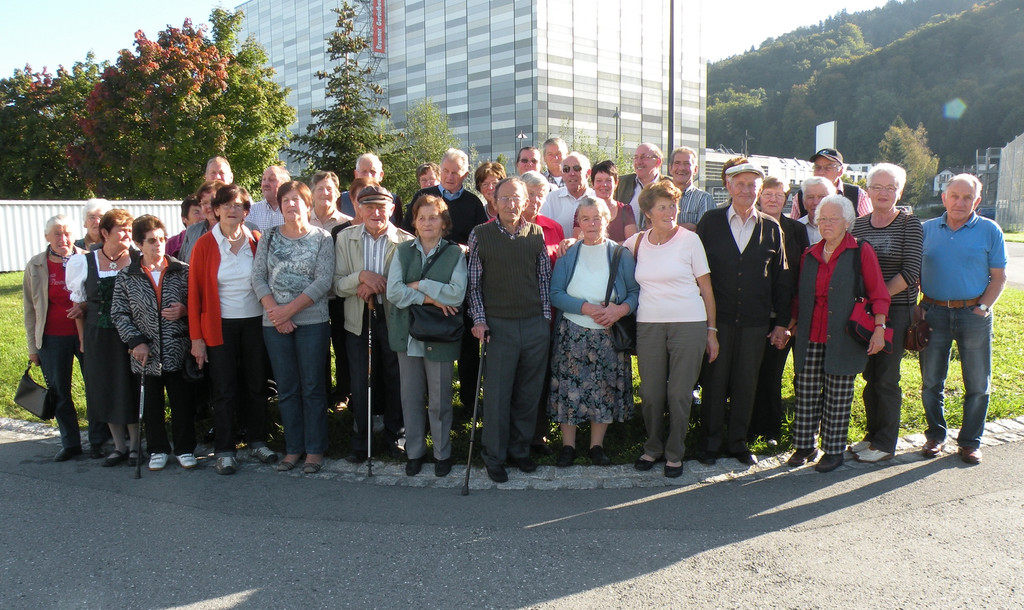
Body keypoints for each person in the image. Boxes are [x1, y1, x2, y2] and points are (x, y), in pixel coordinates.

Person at [696, 161, 792, 466]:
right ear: (728, 186)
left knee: (746, 382)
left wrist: (782, 323)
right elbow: (696, 270)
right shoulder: (710, 222)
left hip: (755, 322)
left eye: (752, 185)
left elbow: (782, 278)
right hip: (718, 320)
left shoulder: (771, 227)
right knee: (714, 381)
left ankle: (738, 442)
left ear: (759, 190)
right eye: (740, 184)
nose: (746, 190)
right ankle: (710, 443)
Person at [787, 195, 890, 473]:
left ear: (847, 222)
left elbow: (879, 293)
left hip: (844, 337)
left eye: (833, 219)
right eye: (822, 219)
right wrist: (790, 325)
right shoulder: (809, 254)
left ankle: (833, 450)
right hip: (810, 336)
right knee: (806, 392)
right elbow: (799, 297)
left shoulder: (860, 251)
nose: (827, 223)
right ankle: (805, 446)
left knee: (838, 396)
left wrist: (879, 329)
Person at [623, 181, 718, 477]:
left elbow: (706, 289)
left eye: (673, 205)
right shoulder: (637, 242)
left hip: (689, 324)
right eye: (662, 207)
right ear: (648, 213)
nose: (670, 212)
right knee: (650, 393)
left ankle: (675, 453)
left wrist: (712, 331)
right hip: (649, 325)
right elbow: (607, 252)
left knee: (679, 393)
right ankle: (653, 448)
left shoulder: (690, 240)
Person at [188, 184, 278, 475]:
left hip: (255, 323)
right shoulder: (204, 245)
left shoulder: (256, 240)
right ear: (215, 210)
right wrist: (196, 339)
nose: (231, 210)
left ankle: (257, 441)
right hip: (219, 326)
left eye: (238, 205)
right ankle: (225, 450)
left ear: (246, 212)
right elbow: (194, 296)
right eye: (225, 205)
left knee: (256, 385)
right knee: (224, 389)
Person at [468, 177, 552, 483]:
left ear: (526, 202)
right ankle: (495, 455)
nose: (510, 204)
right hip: (498, 326)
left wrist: (544, 319)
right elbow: (474, 285)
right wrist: (479, 320)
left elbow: (544, 280)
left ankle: (520, 450)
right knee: (498, 395)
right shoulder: (481, 234)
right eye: (504, 198)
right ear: (494, 201)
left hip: (533, 325)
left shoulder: (536, 234)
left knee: (528, 393)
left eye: (516, 198)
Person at [919, 174, 1006, 465]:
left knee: (978, 383)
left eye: (967, 197)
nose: (960, 202)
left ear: (977, 201)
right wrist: (919, 308)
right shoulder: (926, 230)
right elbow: (913, 272)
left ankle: (970, 442)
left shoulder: (990, 230)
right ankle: (935, 436)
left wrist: (982, 308)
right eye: (954, 196)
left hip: (974, 314)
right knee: (931, 381)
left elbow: (999, 277)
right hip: (933, 313)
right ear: (944, 198)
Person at [549, 197, 639, 467]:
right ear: (578, 222)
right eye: (585, 219)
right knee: (569, 388)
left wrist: (619, 311)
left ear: (607, 219)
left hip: (608, 332)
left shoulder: (621, 254)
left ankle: (596, 447)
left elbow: (634, 293)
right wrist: (585, 307)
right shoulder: (568, 253)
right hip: (573, 332)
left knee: (604, 389)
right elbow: (555, 293)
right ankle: (568, 446)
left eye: (597, 218)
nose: (591, 224)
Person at [253, 181, 335, 474]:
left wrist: (288, 311)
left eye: (296, 199)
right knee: (286, 388)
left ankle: (314, 450)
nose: (290, 204)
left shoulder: (323, 238)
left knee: (312, 387)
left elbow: (323, 280)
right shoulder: (269, 237)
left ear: (307, 204)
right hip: (274, 323)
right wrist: (277, 314)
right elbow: (258, 277)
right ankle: (293, 448)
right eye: (285, 200)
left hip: (312, 322)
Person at [386, 195, 468, 477]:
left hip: (441, 335)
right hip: (407, 335)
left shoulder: (455, 253)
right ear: (415, 222)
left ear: (444, 222)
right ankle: (415, 452)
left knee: (440, 400)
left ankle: (442, 453)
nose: (427, 222)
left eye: (433, 217)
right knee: (410, 398)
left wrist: (420, 284)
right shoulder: (402, 251)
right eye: (422, 218)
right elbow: (394, 292)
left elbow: (456, 294)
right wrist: (431, 298)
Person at [333, 185, 413, 463]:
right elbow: (337, 284)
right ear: (358, 208)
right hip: (359, 317)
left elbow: (410, 285)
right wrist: (361, 277)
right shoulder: (345, 238)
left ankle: (396, 437)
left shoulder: (406, 241)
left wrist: (378, 284)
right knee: (360, 380)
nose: (375, 213)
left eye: (381, 207)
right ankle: (361, 441)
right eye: (369, 207)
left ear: (392, 209)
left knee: (395, 378)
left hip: (393, 318)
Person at [849, 163, 923, 463]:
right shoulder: (857, 225)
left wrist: (875, 298)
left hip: (897, 310)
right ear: (867, 191)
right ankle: (871, 436)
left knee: (887, 378)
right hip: (866, 312)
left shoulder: (910, 224)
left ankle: (885, 443)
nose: (883, 193)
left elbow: (910, 272)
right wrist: (867, 303)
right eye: (877, 187)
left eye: (890, 188)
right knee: (869, 375)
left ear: (899, 192)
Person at [111, 215, 195, 470]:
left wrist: (185, 310)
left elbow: (198, 304)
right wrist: (136, 341)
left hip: (178, 349)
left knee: (182, 403)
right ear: (138, 244)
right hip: (145, 352)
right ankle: (157, 448)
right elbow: (119, 313)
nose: (158, 245)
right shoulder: (126, 276)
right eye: (151, 241)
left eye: (161, 239)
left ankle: (185, 448)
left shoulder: (183, 271)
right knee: (151, 404)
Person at [410, 149, 489, 406]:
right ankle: (427, 400)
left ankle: (469, 401)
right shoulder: (423, 196)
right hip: (427, 278)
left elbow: (481, 240)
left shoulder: (473, 203)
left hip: (460, 280)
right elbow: (407, 231)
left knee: (467, 344)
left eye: (456, 172)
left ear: (465, 174)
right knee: (428, 337)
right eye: (445, 171)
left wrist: (466, 248)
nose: (450, 176)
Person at [66, 209, 139, 466]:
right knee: (105, 387)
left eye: (130, 229)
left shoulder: (137, 259)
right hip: (98, 334)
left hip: (130, 334)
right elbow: (78, 305)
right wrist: (83, 340)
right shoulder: (84, 262)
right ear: (106, 233)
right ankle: (118, 446)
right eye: (122, 230)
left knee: (129, 386)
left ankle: (135, 445)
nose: (127, 234)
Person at [748, 176, 810, 446]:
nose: (773, 199)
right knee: (749, 372)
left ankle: (770, 430)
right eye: (768, 194)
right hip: (752, 313)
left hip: (785, 314)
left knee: (772, 374)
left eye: (779, 195)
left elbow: (802, 275)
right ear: (759, 196)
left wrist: (791, 318)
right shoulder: (750, 225)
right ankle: (745, 427)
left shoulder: (796, 230)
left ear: (786, 199)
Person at [23, 215, 88, 461]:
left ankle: (99, 440)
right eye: (57, 234)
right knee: (60, 392)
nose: (63, 239)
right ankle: (71, 443)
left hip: (85, 336)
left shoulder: (87, 259)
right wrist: (33, 347)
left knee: (95, 388)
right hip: (52, 338)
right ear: (47, 237)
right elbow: (30, 308)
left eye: (67, 233)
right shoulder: (36, 265)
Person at [178, 181, 259, 265]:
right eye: (204, 203)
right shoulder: (192, 231)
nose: (209, 206)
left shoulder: (251, 231)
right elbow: (182, 263)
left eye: (213, 201)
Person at [790, 148, 870, 218]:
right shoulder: (801, 195)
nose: (821, 173)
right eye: (818, 167)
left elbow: (868, 225)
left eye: (828, 168)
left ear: (840, 171)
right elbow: (792, 226)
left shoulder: (857, 195)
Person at [338, 153, 404, 226]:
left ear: (381, 175)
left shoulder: (393, 200)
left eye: (373, 172)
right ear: (356, 174)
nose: (368, 176)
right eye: (364, 171)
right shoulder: (342, 200)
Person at [541, 151, 595, 237]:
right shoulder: (551, 199)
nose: (571, 173)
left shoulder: (596, 198)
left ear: (588, 173)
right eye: (566, 169)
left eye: (576, 168)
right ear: (562, 174)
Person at [582, 160, 637, 243]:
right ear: (592, 184)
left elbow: (632, 243)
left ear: (616, 183)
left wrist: (606, 248)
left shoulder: (625, 210)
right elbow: (578, 241)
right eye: (599, 180)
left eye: (608, 180)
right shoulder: (583, 210)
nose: (604, 185)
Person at [615, 143, 666, 228]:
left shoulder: (669, 186)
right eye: (636, 157)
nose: (638, 162)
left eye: (643, 157)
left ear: (658, 161)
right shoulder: (621, 183)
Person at [668, 147, 715, 232]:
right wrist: (690, 227)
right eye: (677, 163)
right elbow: (650, 229)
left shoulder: (704, 199)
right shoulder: (658, 197)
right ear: (670, 168)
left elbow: (705, 232)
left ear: (695, 170)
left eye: (687, 164)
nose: (681, 168)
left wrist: (666, 228)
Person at [248, 165, 291, 232]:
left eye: (272, 179)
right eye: (264, 179)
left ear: (284, 184)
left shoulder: (292, 210)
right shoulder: (252, 211)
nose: (265, 184)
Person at [798, 176, 837, 245]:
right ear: (804, 203)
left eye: (821, 197)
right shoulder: (794, 229)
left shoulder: (844, 229)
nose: (815, 202)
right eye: (810, 197)